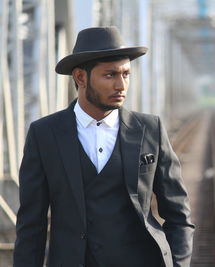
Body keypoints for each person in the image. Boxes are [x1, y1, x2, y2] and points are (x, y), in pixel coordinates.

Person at [13, 26, 194, 267]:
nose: (121, 85)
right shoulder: (44, 134)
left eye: (126, 74)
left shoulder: (150, 129)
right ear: (80, 77)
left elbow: (179, 216)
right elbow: (31, 225)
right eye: (110, 75)